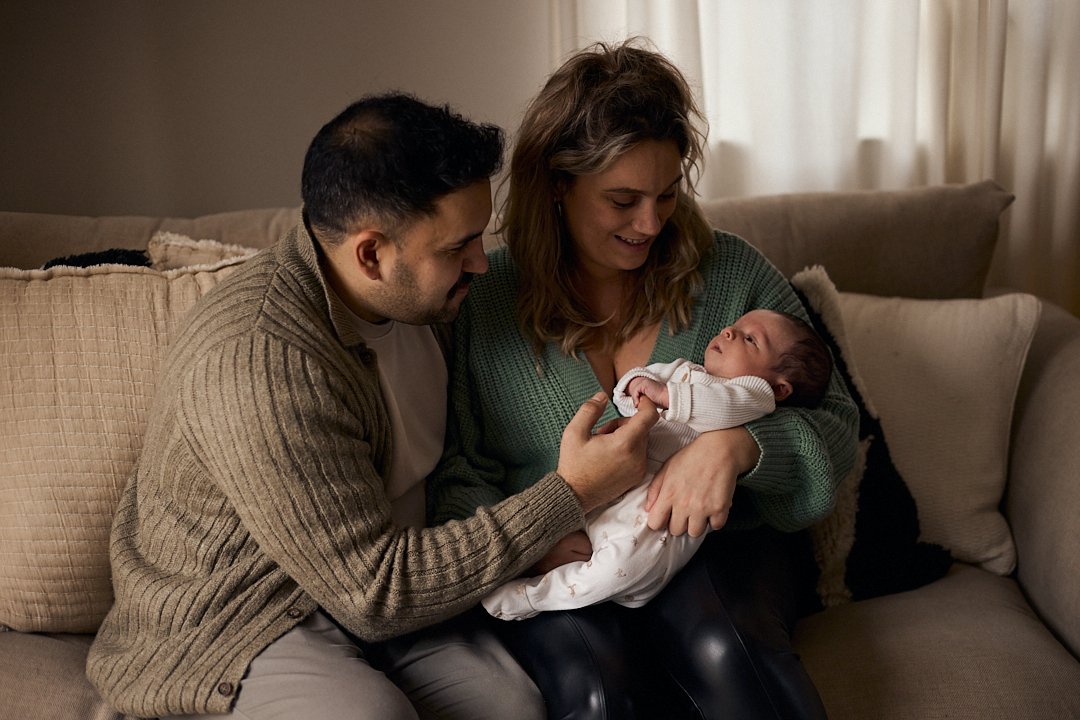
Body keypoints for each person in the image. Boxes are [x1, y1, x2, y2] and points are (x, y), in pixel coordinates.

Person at [85, 92, 660, 720]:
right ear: (371, 254)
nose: (481, 263)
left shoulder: (431, 303)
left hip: (380, 587)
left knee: (511, 706)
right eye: (458, 247)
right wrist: (567, 496)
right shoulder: (261, 359)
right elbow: (375, 593)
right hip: (238, 617)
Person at [428, 40, 859, 720]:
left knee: (722, 645)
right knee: (595, 692)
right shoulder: (487, 299)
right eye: (623, 200)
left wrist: (740, 448)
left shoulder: (731, 275)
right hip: (567, 563)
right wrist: (529, 536)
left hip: (719, 552)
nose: (651, 224)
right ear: (558, 183)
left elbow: (839, 430)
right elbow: (455, 473)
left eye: (665, 195)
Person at [483, 309, 833, 620]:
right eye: (734, 326)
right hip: (616, 492)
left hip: (657, 521)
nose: (728, 331)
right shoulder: (685, 370)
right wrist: (634, 385)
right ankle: (532, 567)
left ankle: (535, 597)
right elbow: (639, 386)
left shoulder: (754, 396)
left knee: (618, 568)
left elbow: (720, 406)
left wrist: (667, 397)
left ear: (780, 388)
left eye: (750, 338)